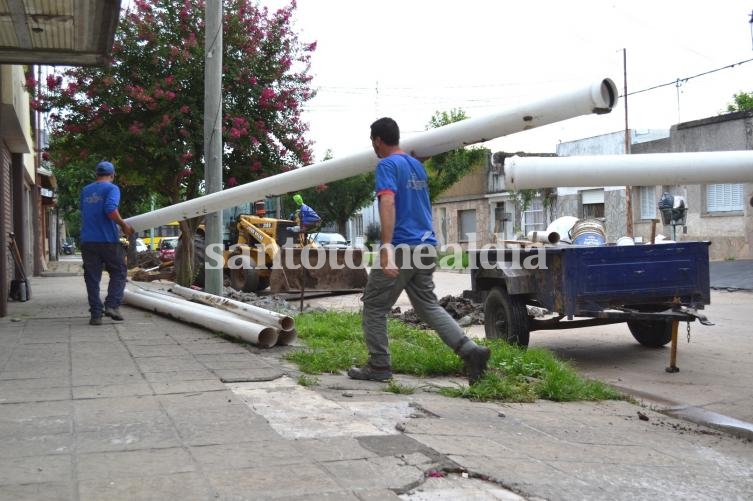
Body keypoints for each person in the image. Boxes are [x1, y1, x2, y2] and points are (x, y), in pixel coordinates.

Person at [348, 117, 491, 385]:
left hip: (403, 245)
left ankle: (379, 365)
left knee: (375, 306)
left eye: (373, 143)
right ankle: (471, 352)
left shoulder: (387, 165)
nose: (374, 148)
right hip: (427, 244)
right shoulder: (416, 166)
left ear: (378, 140)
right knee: (426, 305)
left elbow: (388, 201)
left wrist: (386, 247)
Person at [80, 161, 134, 325]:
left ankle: (96, 315)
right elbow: (110, 209)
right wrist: (123, 224)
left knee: (92, 277)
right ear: (112, 175)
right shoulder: (112, 189)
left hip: (88, 241)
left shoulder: (86, 191)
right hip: (107, 240)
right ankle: (111, 305)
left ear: (96, 174)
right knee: (119, 272)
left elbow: (86, 212)